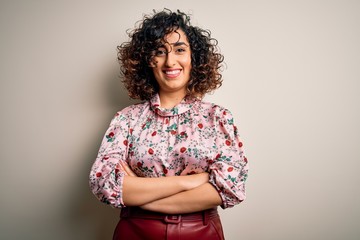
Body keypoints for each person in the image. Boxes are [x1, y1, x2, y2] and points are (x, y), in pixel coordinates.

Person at [89, 9, 249, 240]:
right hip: (135, 233)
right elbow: (105, 184)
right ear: (147, 60)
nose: (170, 61)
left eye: (180, 50)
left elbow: (231, 187)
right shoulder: (126, 119)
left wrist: (140, 192)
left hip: (201, 232)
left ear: (195, 58)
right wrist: (194, 180)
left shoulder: (218, 117)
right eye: (159, 51)